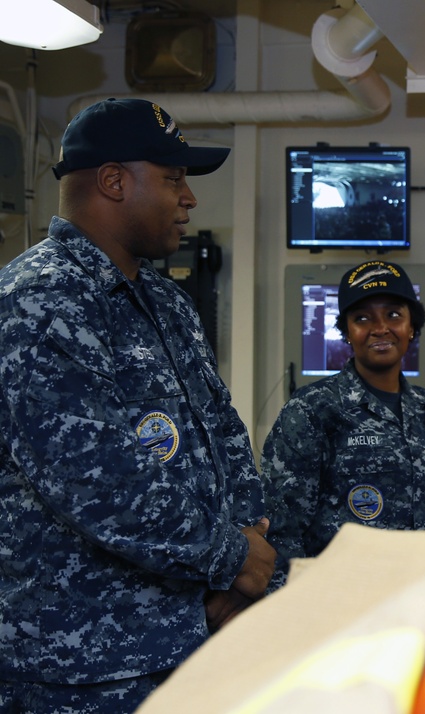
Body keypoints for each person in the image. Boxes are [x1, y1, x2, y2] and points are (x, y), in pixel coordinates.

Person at [0, 98, 275, 712]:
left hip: (188, 639)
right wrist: (230, 557)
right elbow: (92, 480)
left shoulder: (164, 300)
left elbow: (222, 432)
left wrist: (245, 558)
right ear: (113, 181)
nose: (190, 198)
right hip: (80, 670)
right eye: (174, 178)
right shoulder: (38, 301)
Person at [261, 260, 425, 589]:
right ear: (346, 332)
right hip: (346, 606)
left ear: (412, 326)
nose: (380, 328)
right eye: (362, 318)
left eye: (394, 315)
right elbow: (281, 531)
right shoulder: (313, 410)